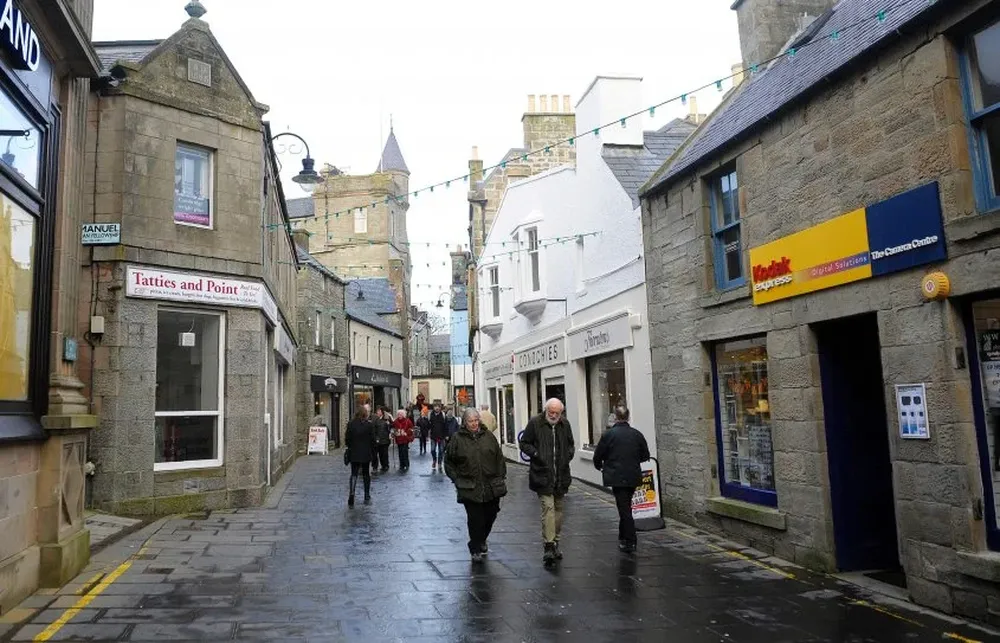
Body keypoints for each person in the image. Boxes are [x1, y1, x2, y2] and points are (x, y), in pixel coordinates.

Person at [444, 408, 507, 563]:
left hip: (491, 485)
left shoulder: (488, 437)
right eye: (470, 421)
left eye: (476, 420)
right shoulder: (457, 439)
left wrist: (500, 476)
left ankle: (481, 538)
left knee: (491, 514)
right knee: (475, 518)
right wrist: (456, 479)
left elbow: (499, 458)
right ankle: (475, 547)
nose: (474, 424)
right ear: (465, 423)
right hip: (469, 486)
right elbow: (449, 462)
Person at [519, 398, 575, 565]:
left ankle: (556, 541)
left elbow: (570, 445)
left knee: (558, 509)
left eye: (557, 413)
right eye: (551, 412)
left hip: (561, 475)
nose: (553, 415)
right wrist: (537, 454)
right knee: (548, 508)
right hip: (542, 474)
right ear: (546, 410)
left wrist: (567, 457)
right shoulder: (535, 423)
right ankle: (548, 546)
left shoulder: (565, 424)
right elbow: (524, 443)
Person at [593, 404, 650, 554]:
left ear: (615, 417)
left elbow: (598, 456)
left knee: (624, 509)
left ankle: (630, 541)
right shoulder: (637, 434)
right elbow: (645, 455)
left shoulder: (608, 435)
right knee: (625, 506)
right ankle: (623, 537)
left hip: (616, 476)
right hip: (632, 476)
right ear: (628, 417)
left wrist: (600, 466)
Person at [345, 406, 377, 507]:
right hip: (365, 453)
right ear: (365, 414)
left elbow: (347, 439)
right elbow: (372, 440)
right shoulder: (369, 425)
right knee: (366, 474)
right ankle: (366, 494)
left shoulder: (351, 424)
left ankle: (352, 493)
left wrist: (351, 447)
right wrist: (373, 452)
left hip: (354, 453)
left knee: (354, 473)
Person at [371, 407, 392, 473]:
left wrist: (389, 425)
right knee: (376, 454)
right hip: (377, 440)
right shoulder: (375, 420)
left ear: (382, 412)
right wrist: (376, 438)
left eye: (379, 411)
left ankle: (385, 465)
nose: (378, 412)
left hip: (385, 440)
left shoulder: (387, 418)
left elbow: (392, 427)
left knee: (384, 454)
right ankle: (375, 466)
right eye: (377, 411)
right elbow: (374, 429)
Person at [429, 403, 447, 471]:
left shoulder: (443, 415)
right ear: (433, 408)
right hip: (433, 436)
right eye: (435, 406)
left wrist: (446, 435)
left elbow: (445, 425)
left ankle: (439, 463)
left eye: (438, 407)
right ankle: (434, 460)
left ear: (440, 408)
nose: (437, 408)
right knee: (432, 450)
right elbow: (429, 425)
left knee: (441, 450)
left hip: (441, 436)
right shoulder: (431, 415)